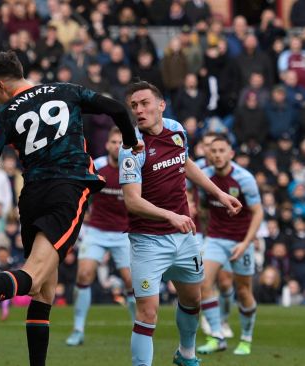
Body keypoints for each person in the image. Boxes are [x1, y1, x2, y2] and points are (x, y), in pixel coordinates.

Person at [0, 51, 141, 365]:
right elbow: (116, 108)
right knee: (34, 277)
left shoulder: (5, 114)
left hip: (32, 196)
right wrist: (131, 140)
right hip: (67, 188)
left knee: (45, 290)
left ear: (2, 84)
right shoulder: (65, 91)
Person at [118, 81, 241, 366]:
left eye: (145, 103)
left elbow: (185, 164)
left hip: (184, 237)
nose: (139, 110)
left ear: (161, 105)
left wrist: (220, 194)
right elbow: (132, 201)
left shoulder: (176, 130)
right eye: (133, 106)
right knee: (147, 313)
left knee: (192, 302)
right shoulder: (132, 148)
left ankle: (186, 355)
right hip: (148, 241)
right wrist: (170, 215)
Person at [66, 126, 136, 347]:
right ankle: (78, 330)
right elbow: (81, 191)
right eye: (113, 142)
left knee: (130, 281)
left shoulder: (132, 167)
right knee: (84, 275)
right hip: (97, 230)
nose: (117, 146)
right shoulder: (98, 165)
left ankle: (139, 328)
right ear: (107, 145)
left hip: (123, 232)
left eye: (120, 142)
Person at [196, 136, 263, 356]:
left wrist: (246, 243)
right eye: (213, 150)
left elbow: (258, 212)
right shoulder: (205, 175)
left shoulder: (244, 179)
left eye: (222, 150)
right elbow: (198, 198)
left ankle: (246, 338)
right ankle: (217, 336)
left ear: (231, 154)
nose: (217, 154)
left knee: (243, 291)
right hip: (215, 238)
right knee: (203, 282)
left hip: (240, 241)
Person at [193, 133, 235, 340]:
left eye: (216, 146)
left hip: (223, 233)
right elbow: (184, 189)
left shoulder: (232, 173)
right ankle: (210, 319)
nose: (213, 150)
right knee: (203, 279)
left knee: (226, 282)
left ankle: (223, 318)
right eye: (208, 146)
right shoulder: (195, 168)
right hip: (197, 232)